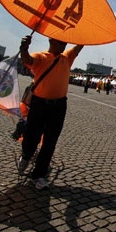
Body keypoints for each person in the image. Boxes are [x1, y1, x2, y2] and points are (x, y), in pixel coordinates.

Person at [17, 35, 83, 190]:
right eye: (62, 42)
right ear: (52, 41)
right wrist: (24, 47)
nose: (65, 45)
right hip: (39, 104)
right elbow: (27, 60)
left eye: (66, 42)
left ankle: (39, 175)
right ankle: (26, 156)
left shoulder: (67, 57)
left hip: (59, 106)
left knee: (50, 142)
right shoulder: (40, 57)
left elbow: (81, 43)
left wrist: (89, 31)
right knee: (32, 137)